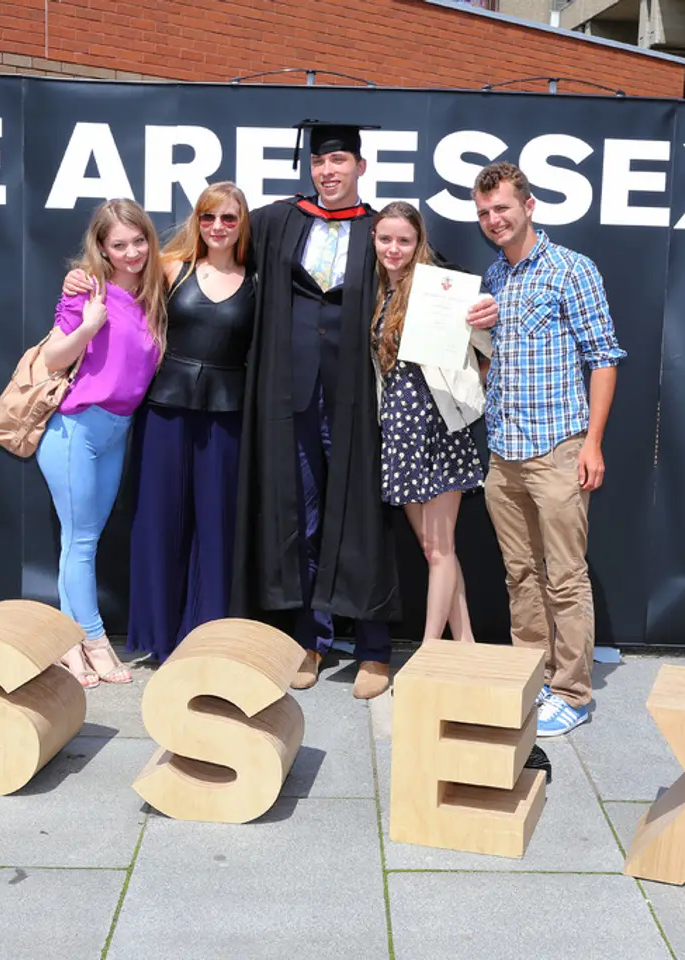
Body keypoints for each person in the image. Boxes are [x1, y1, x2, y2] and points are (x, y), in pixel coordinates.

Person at [230, 120, 499, 700]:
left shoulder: (381, 230)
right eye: (320, 163)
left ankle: (374, 648)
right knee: (300, 520)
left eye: (340, 161)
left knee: (363, 524)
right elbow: (218, 255)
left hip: (360, 400)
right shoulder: (279, 221)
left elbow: (438, 292)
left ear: (360, 167)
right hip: (290, 396)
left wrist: (479, 314)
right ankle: (310, 637)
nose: (328, 172)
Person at [62, 183, 255, 664]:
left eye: (229, 219)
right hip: (163, 408)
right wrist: (79, 279)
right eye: (209, 218)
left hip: (226, 414)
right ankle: (159, 636)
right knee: (159, 519)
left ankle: (207, 638)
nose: (218, 227)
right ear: (197, 221)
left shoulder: (257, 279)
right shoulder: (171, 267)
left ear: (242, 223)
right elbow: (117, 279)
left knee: (216, 525)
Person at [471, 161, 626, 737]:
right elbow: (494, 368)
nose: (493, 219)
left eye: (502, 208)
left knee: (564, 576)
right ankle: (533, 675)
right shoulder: (493, 277)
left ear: (528, 206)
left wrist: (593, 444)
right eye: (484, 212)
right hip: (503, 452)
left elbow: (604, 358)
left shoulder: (571, 270)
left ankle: (573, 693)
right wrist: (469, 339)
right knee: (519, 574)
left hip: (558, 448)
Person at [40, 198, 165, 688]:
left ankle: (67, 644)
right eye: (119, 244)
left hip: (118, 430)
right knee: (83, 541)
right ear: (102, 248)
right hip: (77, 429)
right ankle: (93, 639)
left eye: (139, 241)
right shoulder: (88, 290)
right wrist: (88, 325)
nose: (131, 252)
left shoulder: (158, 288)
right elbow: (53, 358)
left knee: (79, 540)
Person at [369, 201, 489, 644]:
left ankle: (430, 652)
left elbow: (486, 345)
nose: (394, 248)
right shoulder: (378, 290)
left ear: (419, 243)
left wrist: (481, 318)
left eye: (404, 240)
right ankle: (467, 645)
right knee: (433, 549)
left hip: (438, 427)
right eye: (386, 239)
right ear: (375, 240)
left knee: (440, 550)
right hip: (400, 433)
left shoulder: (442, 288)